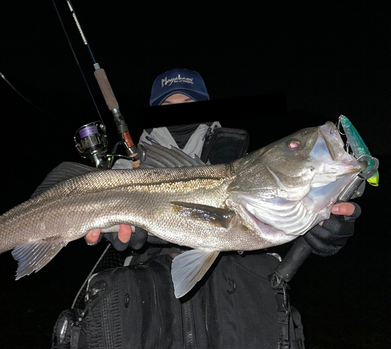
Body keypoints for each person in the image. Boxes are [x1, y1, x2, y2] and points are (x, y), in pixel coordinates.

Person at [80, 68, 361, 348]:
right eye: (166, 106)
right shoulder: (126, 170)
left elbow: (276, 219)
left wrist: (326, 230)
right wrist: (114, 232)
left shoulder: (240, 158)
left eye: (189, 104)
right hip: (153, 319)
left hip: (239, 317)